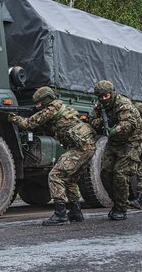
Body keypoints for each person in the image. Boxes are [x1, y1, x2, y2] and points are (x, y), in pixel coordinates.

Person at [8, 86, 97, 226]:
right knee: (70, 179)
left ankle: (61, 214)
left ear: (46, 100)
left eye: (39, 103)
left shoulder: (51, 109)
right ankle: (75, 212)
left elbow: (28, 124)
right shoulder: (60, 106)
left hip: (80, 148)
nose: (37, 106)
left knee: (55, 175)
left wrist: (12, 117)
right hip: (86, 147)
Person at [90, 80, 142, 220]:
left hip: (131, 140)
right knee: (105, 173)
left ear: (112, 93)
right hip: (114, 141)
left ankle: (121, 208)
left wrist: (112, 130)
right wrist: (102, 123)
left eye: (106, 96)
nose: (104, 99)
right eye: (101, 96)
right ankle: (118, 200)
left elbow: (129, 124)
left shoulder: (123, 103)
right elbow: (92, 119)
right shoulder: (99, 105)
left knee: (120, 173)